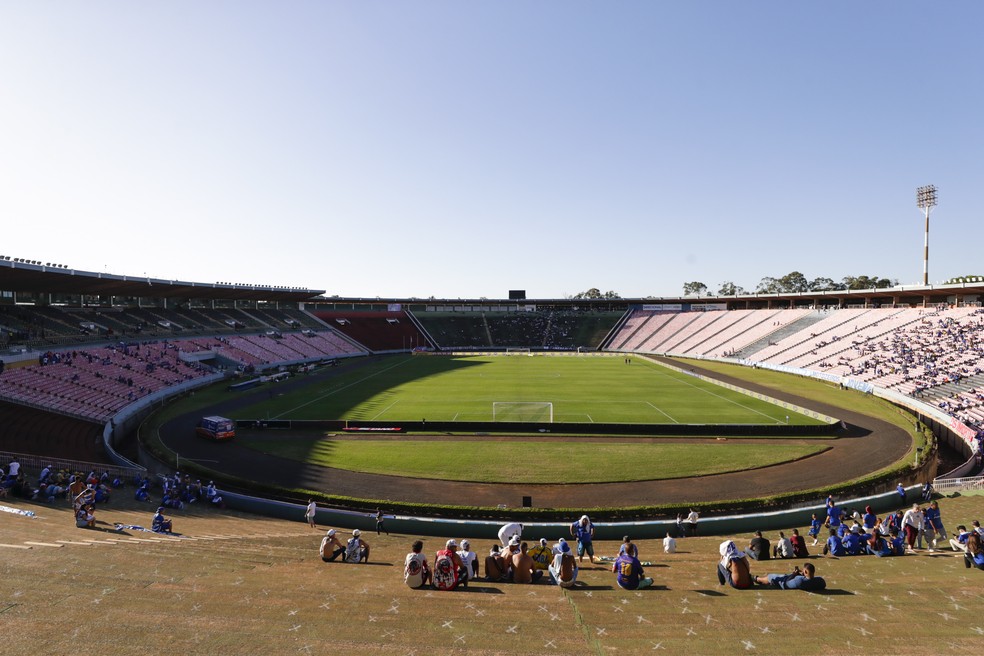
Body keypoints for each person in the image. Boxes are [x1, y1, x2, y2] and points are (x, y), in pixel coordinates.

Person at [754, 562, 826, 591]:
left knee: (770, 576)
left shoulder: (800, 580)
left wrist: (794, 573)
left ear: (806, 572)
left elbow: (788, 581)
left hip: (784, 583)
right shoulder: (820, 581)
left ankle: (757, 579)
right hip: (793, 580)